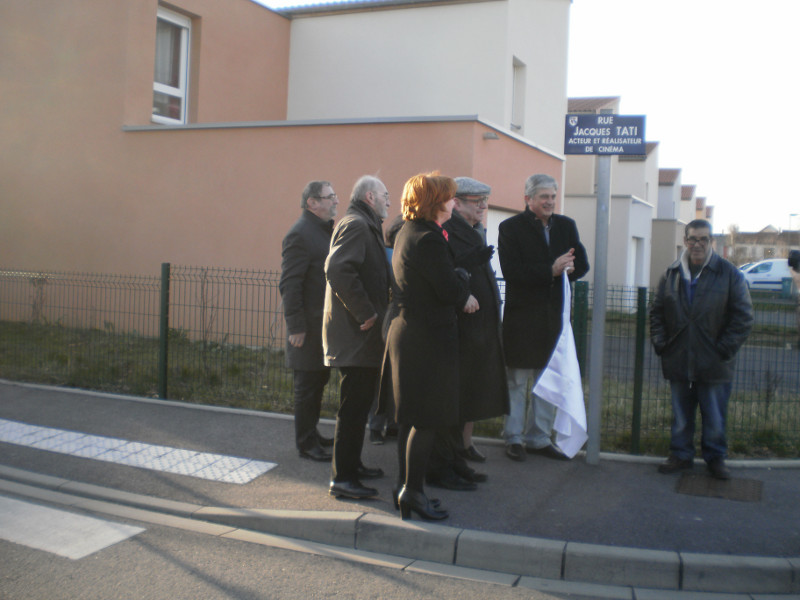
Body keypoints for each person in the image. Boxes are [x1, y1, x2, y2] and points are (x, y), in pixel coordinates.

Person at [384, 172, 476, 520]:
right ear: (436, 201)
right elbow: (449, 291)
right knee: (425, 420)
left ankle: (406, 489)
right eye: (450, 197)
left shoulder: (409, 232)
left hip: (412, 335)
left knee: (411, 419)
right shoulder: (428, 238)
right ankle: (413, 493)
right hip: (426, 339)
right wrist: (463, 279)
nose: (454, 202)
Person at [651, 219, 754, 480]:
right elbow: (657, 313)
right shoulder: (671, 273)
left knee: (715, 417)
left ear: (712, 243)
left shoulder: (730, 275)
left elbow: (743, 318)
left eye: (703, 239)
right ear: (685, 241)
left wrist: (723, 350)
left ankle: (715, 459)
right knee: (681, 416)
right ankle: (680, 455)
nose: (697, 244)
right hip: (679, 359)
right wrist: (662, 343)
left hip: (715, 362)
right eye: (693, 239)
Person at [425, 177, 509, 490]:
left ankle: (457, 461)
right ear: (456, 203)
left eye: (485, 201)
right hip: (463, 330)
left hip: (477, 330)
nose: (484, 207)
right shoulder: (450, 230)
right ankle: (447, 465)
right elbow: (443, 272)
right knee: (454, 406)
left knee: (466, 402)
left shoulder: (471, 230)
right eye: (477, 202)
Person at [498, 173, 589, 462]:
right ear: (528, 199)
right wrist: (551, 269)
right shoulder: (510, 228)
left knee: (548, 381)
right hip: (522, 319)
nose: (550, 201)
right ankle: (513, 437)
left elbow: (582, 264)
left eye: (553, 196)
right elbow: (513, 271)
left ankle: (539, 438)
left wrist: (569, 268)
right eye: (544, 197)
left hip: (553, 320)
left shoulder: (566, 226)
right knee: (516, 382)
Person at [323, 175, 392, 499]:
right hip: (356, 335)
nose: (389, 201)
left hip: (361, 336)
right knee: (352, 409)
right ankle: (343, 479)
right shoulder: (357, 225)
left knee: (359, 404)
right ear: (369, 196)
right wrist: (365, 312)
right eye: (385, 195)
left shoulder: (364, 224)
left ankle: (352, 466)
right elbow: (337, 269)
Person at [279, 180, 339, 462]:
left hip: (322, 324)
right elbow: (290, 284)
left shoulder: (323, 231)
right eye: (329, 197)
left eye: (334, 196)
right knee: (306, 386)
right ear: (312, 203)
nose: (335, 201)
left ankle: (312, 433)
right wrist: (296, 327)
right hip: (307, 327)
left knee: (318, 381)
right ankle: (305, 443)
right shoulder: (300, 235)